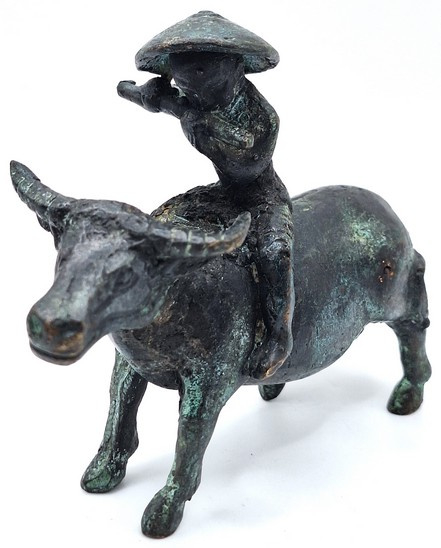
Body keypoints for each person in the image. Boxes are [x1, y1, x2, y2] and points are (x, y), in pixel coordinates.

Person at [117, 11, 295, 379]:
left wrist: (188, 115)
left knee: (275, 254)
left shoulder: (263, 119)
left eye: (201, 80)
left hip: (263, 199)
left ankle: (280, 335)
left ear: (235, 69)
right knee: (162, 218)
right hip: (223, 194)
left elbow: (247, 158)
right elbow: (153, 97)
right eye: (184, 81)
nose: (194, 92)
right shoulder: (196, 104)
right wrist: (144, 96)